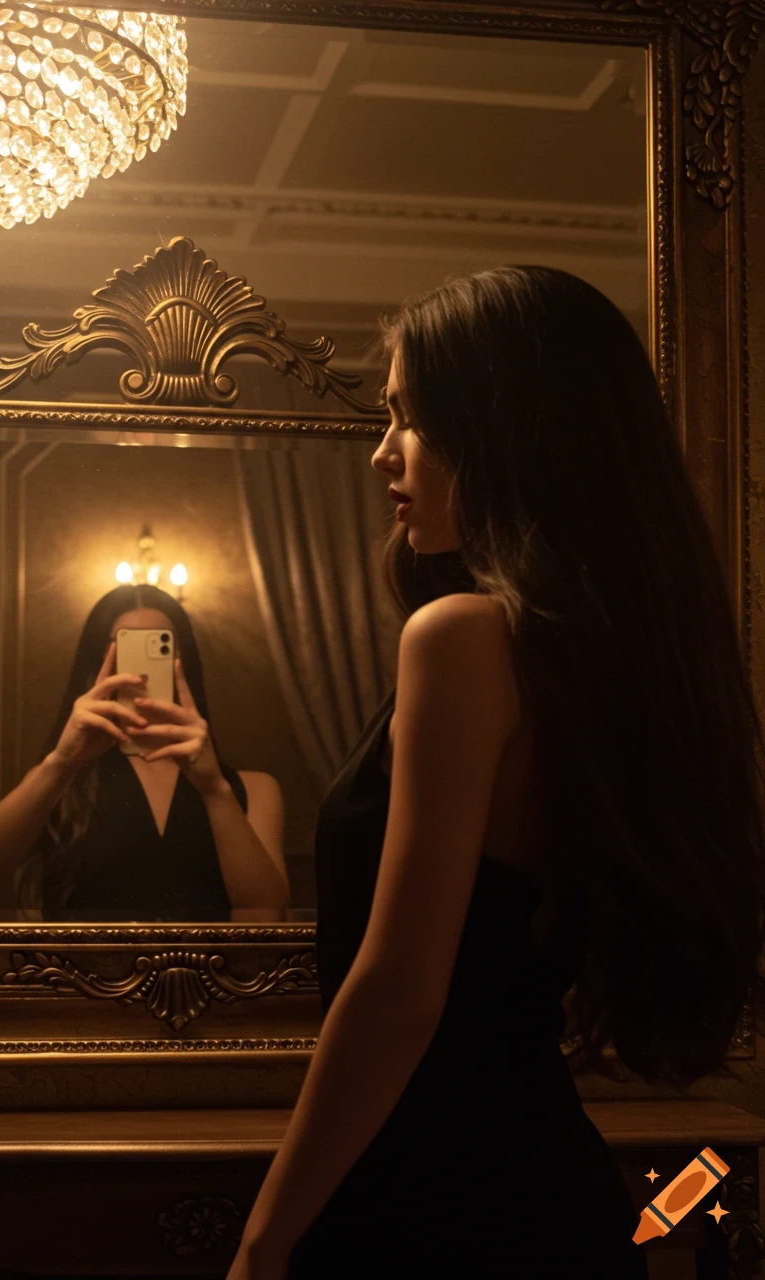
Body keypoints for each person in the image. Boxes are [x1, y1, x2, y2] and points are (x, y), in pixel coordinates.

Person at [223, 266, 765, 1280]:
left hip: (438, 1197)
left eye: (410, 417)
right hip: (530, 1185)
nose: (382, 450)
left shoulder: (463, 637)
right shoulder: (593, 659)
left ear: (508, 431)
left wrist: (263, 1241)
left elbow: (397, 993)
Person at [0, 584, 289, 922]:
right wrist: (62, 762)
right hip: (82, 959)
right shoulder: (61, 779)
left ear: (184, 660)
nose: (141, 670)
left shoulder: (251, 789)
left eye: (162, 644)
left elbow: (266, 918)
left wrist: (214, 790)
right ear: (98, 661)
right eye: (124, 645)